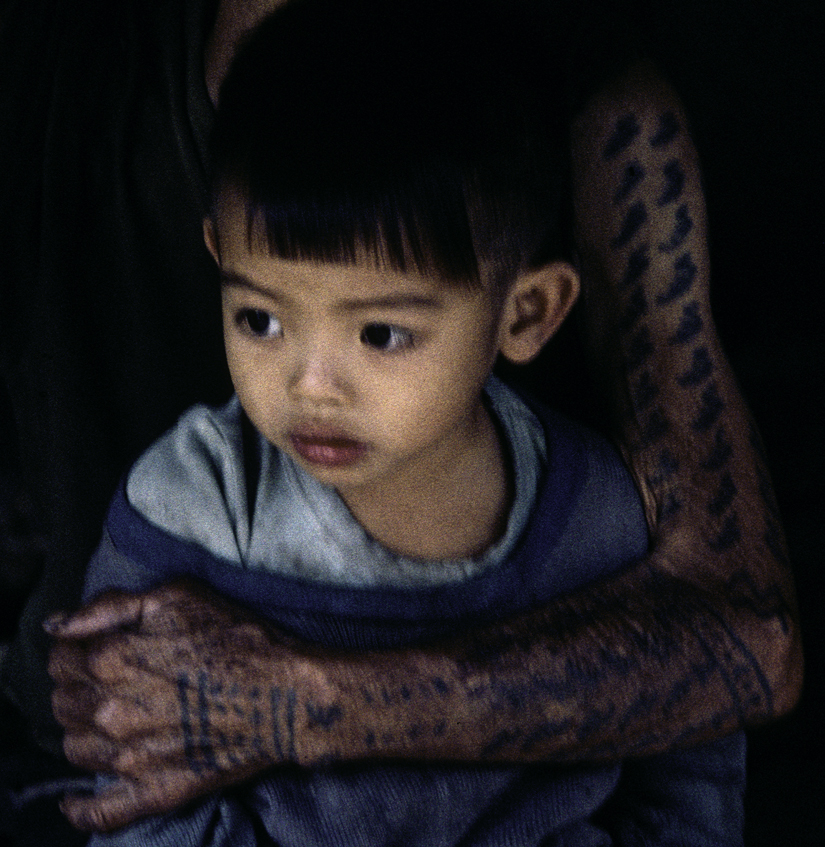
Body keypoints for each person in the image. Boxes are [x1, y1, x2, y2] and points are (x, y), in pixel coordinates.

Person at [0, 0, 801, 840]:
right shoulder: (193, 493)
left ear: (528, 312)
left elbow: (737, 657)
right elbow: (128, 767)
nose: (313, 386)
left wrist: (301, 703)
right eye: (260, 318)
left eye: (381, 332)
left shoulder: (591, 510)